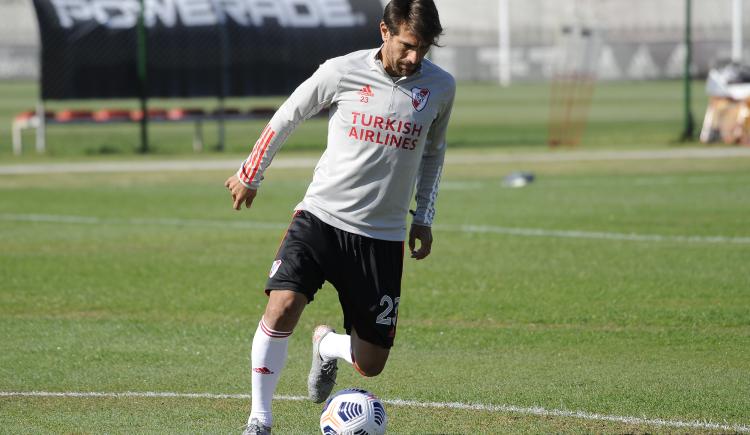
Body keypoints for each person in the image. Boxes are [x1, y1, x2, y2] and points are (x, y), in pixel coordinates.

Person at [225, 1, 454, 433]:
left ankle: (327, 344)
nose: (414, 59)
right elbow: (289, 115)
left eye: (423, 49)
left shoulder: (441, 87)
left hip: (381, 236)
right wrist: (251, 173)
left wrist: (423, 216)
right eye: (407, 45)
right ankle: (260, 418)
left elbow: (434, 154)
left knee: (372, 364)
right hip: (321, 217)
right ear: (384, 30)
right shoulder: (340, 70)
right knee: (282, 305)